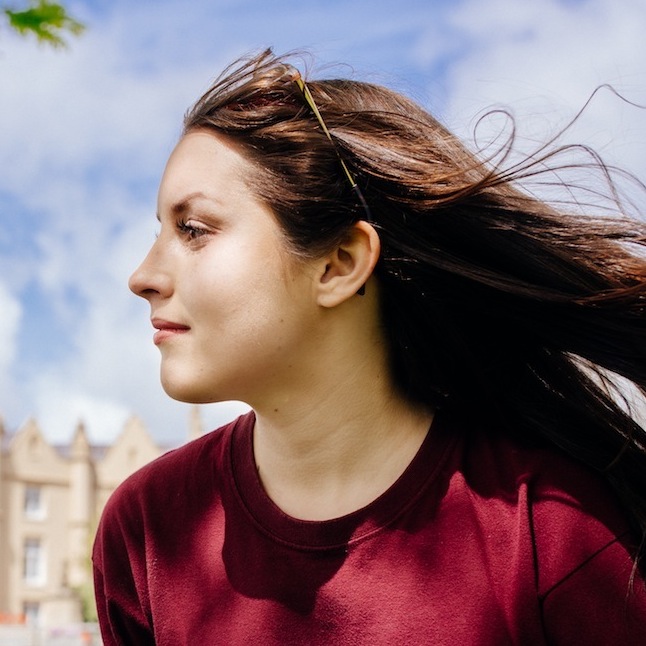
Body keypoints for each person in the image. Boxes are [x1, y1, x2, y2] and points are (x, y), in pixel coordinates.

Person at [92, 49, 646, 645]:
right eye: (160, 232)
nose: (142, 276)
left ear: (339, 264)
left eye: (193, 230)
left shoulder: (553, 527)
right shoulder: (148, 529)